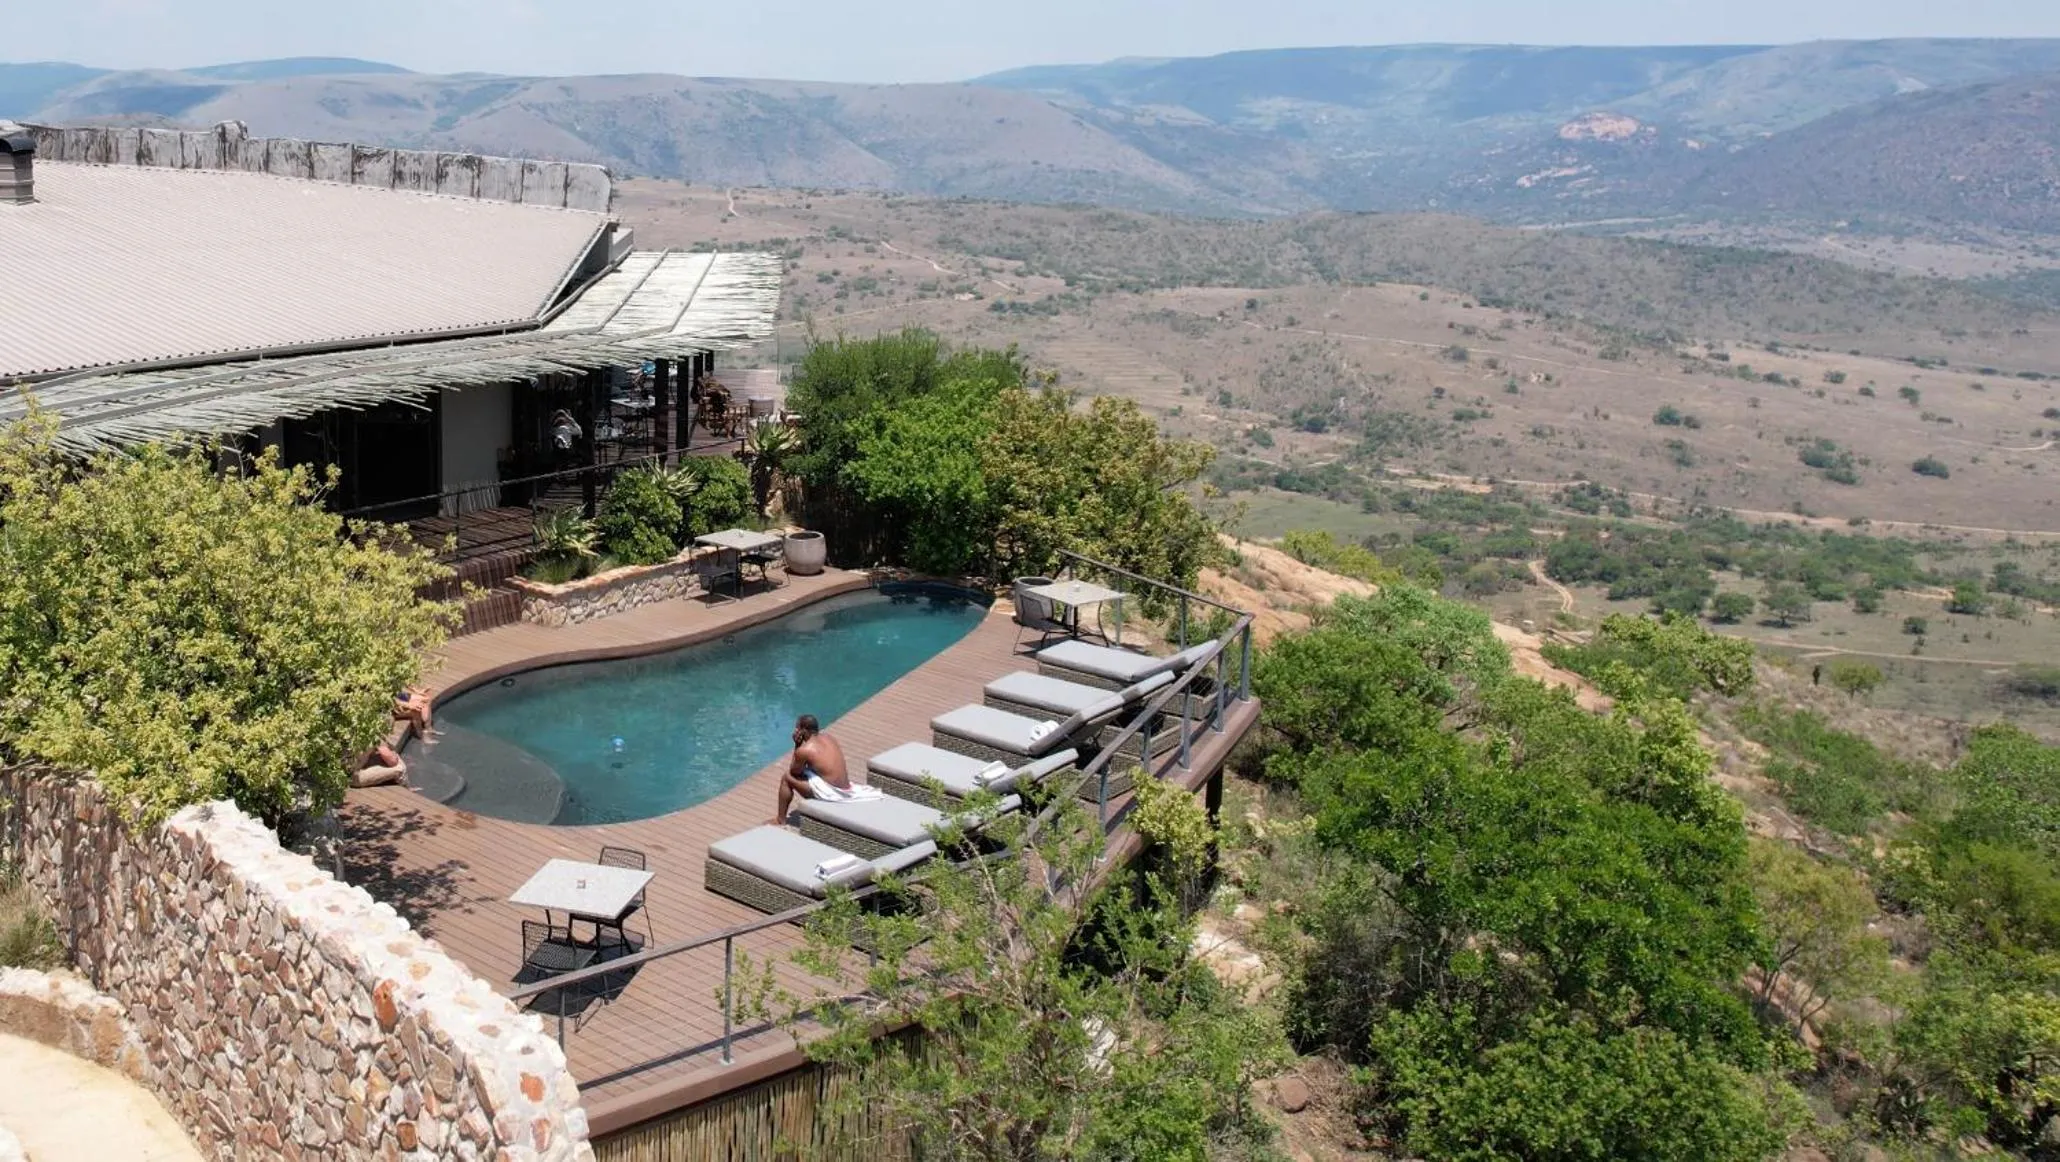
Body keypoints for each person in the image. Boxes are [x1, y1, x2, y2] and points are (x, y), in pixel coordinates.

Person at [774, 714, 849, 824]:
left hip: (832, 793)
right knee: (810, 771)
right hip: (845, 787)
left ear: (803, 730)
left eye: (797, 728)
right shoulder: (829, 738)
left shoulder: (805, 749)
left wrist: (797, 745)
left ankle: (780, 820)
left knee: (786, 778)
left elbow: (794, 771)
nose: (795, 731)